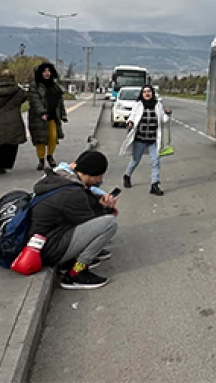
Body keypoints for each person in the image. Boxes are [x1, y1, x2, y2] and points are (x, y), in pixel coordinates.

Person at [29, 150, 118, 290]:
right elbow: (91, 222)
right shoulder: (73, 193)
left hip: (42, 241)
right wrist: (108, 209)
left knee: (101, 223)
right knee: (108, 224)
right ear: (91, 174)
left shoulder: (62, 178)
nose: (100, 180)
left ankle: (72, 261)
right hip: (48, 250)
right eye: (100, 176)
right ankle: (76, 272)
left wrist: (98, 202)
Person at [119, 84, 171, 196]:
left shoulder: (158, 105)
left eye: (149, 91)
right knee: (135, 161)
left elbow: (163, 119)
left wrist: (167, 114)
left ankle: (154, 184)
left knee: (155, 162)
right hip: (140, 139)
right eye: (145, 92)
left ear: (152, 93)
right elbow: (132, 116)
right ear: (142, 94)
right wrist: (130, 122)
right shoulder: (138, 105)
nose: (147, 93)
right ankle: (127, 175)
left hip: (153, 139)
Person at [28, 62, 68, 170]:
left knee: (53, 137)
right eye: (44, 71)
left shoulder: (55, 86)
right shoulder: (34, 86)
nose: (47, 73)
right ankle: (41, 160)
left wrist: (63, 114)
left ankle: (50, 156)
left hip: (53, 117)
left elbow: (60, 102)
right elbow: (35, 101)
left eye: (49, 71)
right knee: (40, 139)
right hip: (38, 118)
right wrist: (42, 112)